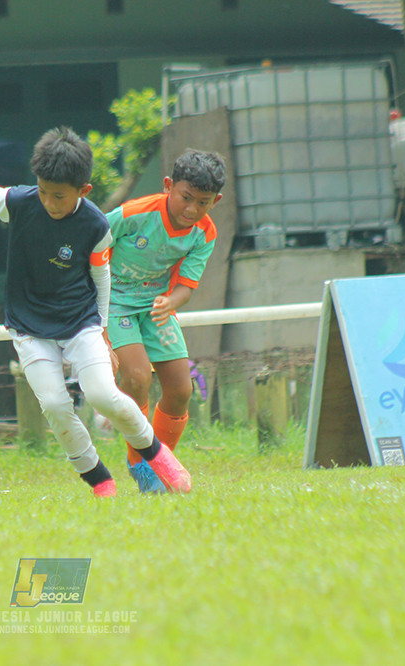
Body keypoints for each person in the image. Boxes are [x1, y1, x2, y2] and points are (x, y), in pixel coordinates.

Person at [0, 126, 192, 497]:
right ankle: (99, 480)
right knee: (55, 405)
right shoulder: (21, 202)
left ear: (83, 191)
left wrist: (102, 331)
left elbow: (101, 276)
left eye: (58, 196)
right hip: (28, 325)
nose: (48, 202)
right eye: (42, 191)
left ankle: (157, 455)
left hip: (80, 321)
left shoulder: (96, 225)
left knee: (103, 394)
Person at [106, 149, 227, 493]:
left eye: (202, 203)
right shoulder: (133, 215)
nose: (192, 209)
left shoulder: (204, 233)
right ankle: (138, 461)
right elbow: (93, 244)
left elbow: (186, 288)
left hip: (157, 308)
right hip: (115, 304)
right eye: (185, 198)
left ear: (215, 201)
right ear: (168, 185)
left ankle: (159, 465)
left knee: (181, 390)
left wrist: (169, 301)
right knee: (137, 376)